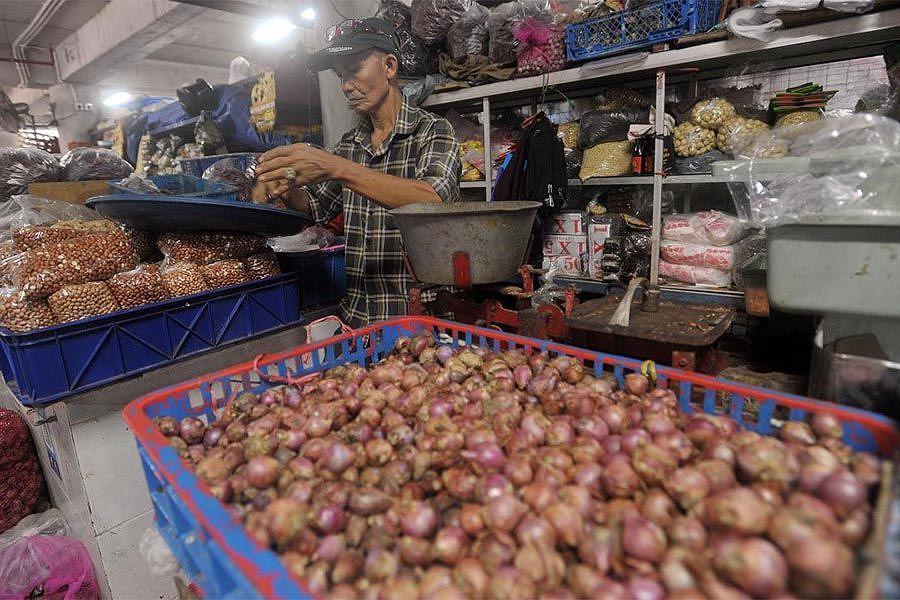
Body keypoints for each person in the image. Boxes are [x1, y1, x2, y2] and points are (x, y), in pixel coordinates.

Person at [253, 18, 461, 328]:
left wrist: (336, 168)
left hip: (419, 321)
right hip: (360, 320)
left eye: (354, 69)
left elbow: (432, 200)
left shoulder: (432, 131)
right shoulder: (349, 146)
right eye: (340, 75)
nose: (345, 85)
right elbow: (314, 207)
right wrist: (288, 183)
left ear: (389, 66)